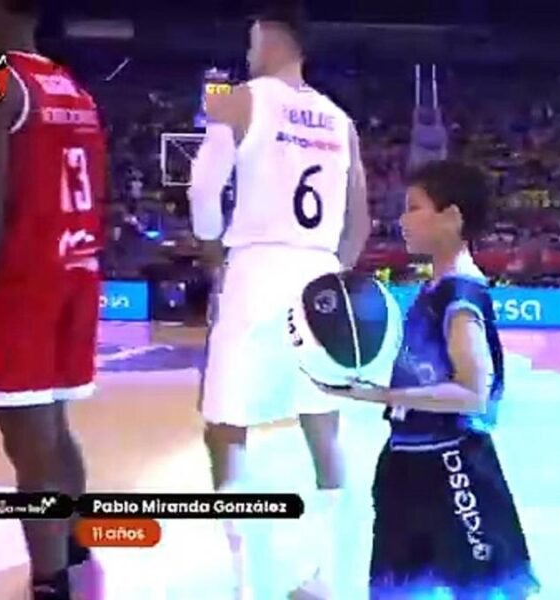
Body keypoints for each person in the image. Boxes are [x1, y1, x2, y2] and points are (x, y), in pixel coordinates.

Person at [186, 1, 370, 596]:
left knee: (227, 426)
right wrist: (332, 276)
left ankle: (248, 580)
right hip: (319, 272)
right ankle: (324, 576)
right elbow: (360, 222)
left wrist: (212, 253)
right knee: (324, 429)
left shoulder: (241, 100)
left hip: (256, 267)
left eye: (251, 42)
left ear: (271, 37)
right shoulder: (340, 121)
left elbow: (203, 191)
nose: (247, 55)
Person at [0, 2, 106, 599]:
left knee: (31, 448)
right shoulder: (69, 83)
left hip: (24, 284)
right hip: (76, 273)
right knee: (53, 431)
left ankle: (50, 583)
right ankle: (77, 549)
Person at [321, 160, 538, 598]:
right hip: (408, 459)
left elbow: (472, 393)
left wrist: (378, 394)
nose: (402, 219)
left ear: (451, 217)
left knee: (482, 591)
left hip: (452, 464)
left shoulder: (460, 293)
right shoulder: (435, 289)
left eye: (414, 207)